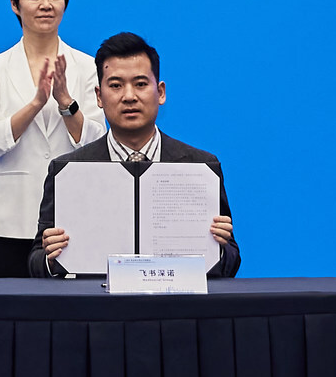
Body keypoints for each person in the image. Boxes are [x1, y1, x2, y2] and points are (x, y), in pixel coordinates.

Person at [33, 32, 238, 279]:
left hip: (175, 310)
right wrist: (50, 259)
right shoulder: (67, 171)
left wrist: (221, 248)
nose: (129, 96)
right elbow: (35, 262)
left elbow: (231, 262)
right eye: (116, 85)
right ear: (99, 96)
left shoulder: (201, 167)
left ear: (160, 92)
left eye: (140, 84)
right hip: (98, 311)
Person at [0, 0, 105, 278]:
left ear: (65, 2)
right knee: (12, 311)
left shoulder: (88, 67)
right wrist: (35, 104)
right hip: (9, 215)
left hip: (73, 212)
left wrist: (64, 101)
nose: (46, 4)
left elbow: (97, 140)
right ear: (15, 5)